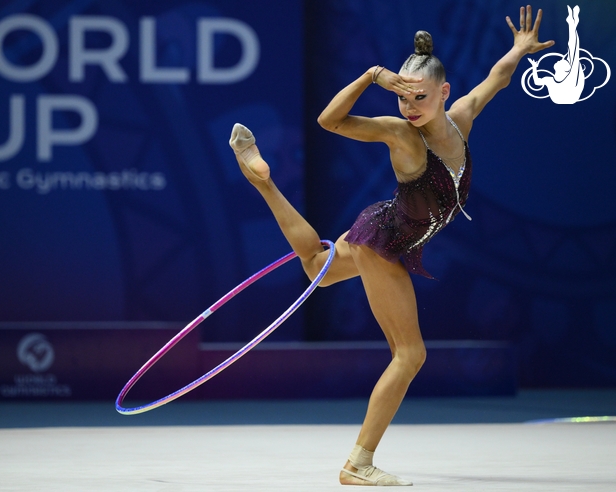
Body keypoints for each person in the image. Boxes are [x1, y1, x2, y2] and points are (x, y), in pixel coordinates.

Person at [229, 5, 554, 487]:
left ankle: (263, 182)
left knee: (316, 267)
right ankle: (358, 463)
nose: (410, 107)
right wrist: (370, 76)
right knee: (410, 355)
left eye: (420, 97)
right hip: (383, 243)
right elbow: (329, 120)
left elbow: (497, 78)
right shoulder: (402, 134)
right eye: (402, 97)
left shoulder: (462, 118)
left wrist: (519, 49)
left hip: (385, 229)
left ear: (445, 93)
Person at [528, 5, 583, 104]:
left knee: (573, 52)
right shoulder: (551, 80)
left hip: (569, 96)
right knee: (573, 52)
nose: (562, 59)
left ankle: (572, 24)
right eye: (564, 60)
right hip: (563, 97)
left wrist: (572, 26)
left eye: (564, 61)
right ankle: (572, 24)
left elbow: (573, 48)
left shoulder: (570, 77)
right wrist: (534, 67)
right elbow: (537, 82)